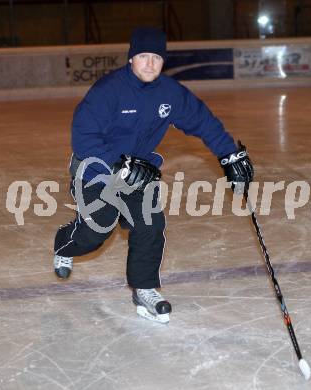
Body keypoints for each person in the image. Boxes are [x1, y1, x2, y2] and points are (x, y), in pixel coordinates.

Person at [53, 27, 254, 324]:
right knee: (97, 230)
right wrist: (118, 163)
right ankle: (64, 244)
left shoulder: (170, 93)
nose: (150, 63)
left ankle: (145, 288)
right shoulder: (109, 90)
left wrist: (228, 154)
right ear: (131, 59)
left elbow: (202, 120)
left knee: (150, 223)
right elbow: (84, 136)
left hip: (139, 171)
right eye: (143, 56)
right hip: (96, 169)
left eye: (156, 57)